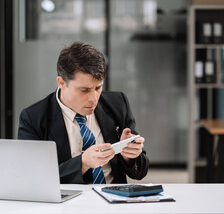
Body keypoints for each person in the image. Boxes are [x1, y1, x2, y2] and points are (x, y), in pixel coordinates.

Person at [18, 41, 149, 184]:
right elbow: (32, 177)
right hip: (66, 202)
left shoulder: (118, 104)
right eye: (84, 90)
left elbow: (140, 172)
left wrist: (129, 156)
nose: (93, 98)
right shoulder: (33, 118)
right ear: (61, 83)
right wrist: (83, 163)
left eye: (98, 88)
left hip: (113, 198)